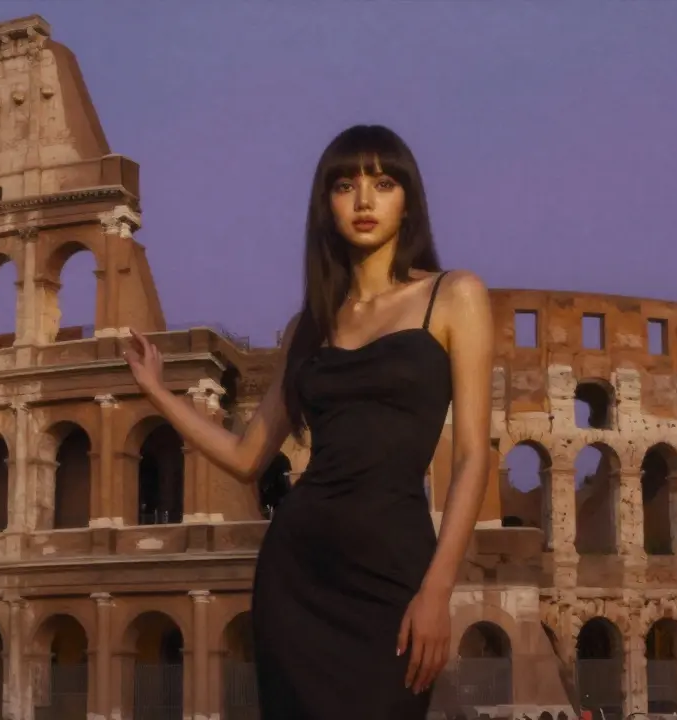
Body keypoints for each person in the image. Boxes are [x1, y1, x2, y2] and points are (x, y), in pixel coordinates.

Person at [123, 124, 493, 719]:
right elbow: (247, 457)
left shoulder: (455, 296)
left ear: (409, 201)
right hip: (298, 573)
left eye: (384, 183)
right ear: (327, 205)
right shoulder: (308, 327)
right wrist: (158, 393)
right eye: (346, 186)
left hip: (394, 568)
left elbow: (474, 455)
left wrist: (437, 588)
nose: (365, 200)